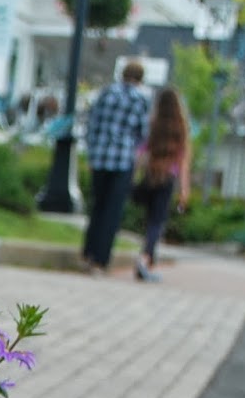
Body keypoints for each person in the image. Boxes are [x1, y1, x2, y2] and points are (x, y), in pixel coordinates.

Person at [81, 61, 151, 275]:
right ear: (140, 78)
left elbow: (91, 124)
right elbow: (143, 133)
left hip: (101, 158)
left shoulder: (106, 93)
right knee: (113, 211)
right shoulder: (140, 99)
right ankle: (101, 261)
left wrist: (92, 154)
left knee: (97, 206)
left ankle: (88, 253)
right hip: (122, 161)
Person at [134, 86, 193, 282]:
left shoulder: (154, 124)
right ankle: (145, 259)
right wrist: (184, 190)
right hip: (167, 178)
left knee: (150, 220)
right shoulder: (180, 128)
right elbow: (183, 162)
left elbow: (141, 151)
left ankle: (146, 259)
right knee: (157, 222)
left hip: (151, 176)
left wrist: (134, 174)